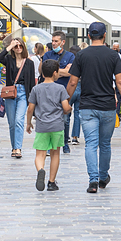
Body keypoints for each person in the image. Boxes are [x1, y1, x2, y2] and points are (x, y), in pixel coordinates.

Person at [66, 22, 121, 193]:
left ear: (88, 36)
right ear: (105, 35)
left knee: (91, 144)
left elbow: (72, 81)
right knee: (105, 144)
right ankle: (103, 177)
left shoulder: (81, 55)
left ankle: (93, 181)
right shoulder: (113, 55)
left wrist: (66, 101)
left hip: (87, 106)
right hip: (108, 105)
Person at [26, 59, 71, 191]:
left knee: (40, 154)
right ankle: (51, 182)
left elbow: (30, 108)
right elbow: (65, 107)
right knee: (55, 154)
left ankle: (40, 170)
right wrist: (69, 109)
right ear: (56, 73)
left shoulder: (36, 89)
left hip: (42, 126)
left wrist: (28, 123)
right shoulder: (60, 88)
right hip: (57, 125)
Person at [0, 36, 36, 158]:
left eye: (20, 46)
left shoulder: (29, 63)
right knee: (12, 122)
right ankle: (14, 147)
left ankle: (18, 148)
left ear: (23, 47)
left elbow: (31, 82)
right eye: (16, 46)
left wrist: (32, 99)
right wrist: (9, 46)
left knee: (19, 120)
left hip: (23, 92)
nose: (18, 48)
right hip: (10, 93)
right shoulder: (9, 59)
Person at [41, 31, 76, 153]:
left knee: (65, 119)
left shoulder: (70, 56)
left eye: (56, 41)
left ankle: (65, 142)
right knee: (50, 118)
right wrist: (61, 71)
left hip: (64, 91)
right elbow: (44, 72)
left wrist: (54, 72)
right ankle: (51, 145)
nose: (54, 43)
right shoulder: (47, 55)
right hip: (48, 92)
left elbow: (69, 72)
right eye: (53, 41)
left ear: (63, 42)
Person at [66, 45, 82, 146]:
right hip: (80, 88)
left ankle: (66, 136)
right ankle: (75, 137)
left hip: (70, 88)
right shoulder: (82, 63)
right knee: (77, 114)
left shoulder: (69, 62)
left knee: (67, 112)